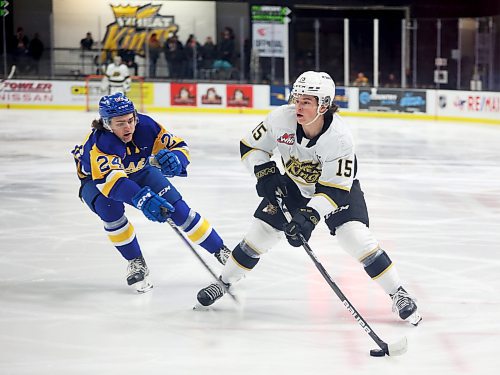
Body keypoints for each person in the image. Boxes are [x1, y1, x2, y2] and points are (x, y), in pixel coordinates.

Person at [195, 71, 422, 326]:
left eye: (306, 101)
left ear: (323, 105)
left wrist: (309, 216)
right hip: (294, 186)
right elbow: (251, 146)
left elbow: (334, 189)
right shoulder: (281, 119)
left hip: (336, 190)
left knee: (355, 237)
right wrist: (264, 173)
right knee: (259, 235)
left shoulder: (340, 138)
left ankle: (398, 292)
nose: (298, 106)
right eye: (297, 99)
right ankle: (224, 281)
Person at [71, 93, 231, 292]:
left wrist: (176, 160)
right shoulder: (102, 143)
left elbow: (180, 146)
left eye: (130, 120)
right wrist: (142, 199)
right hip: (97, 180)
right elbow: (111, 184)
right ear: (107, 123)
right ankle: (135, 260)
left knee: (179, 211)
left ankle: (220, 250)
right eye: (120, 123)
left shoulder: (146, 126)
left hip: (138, 169)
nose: (128, 127)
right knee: (110, 211)